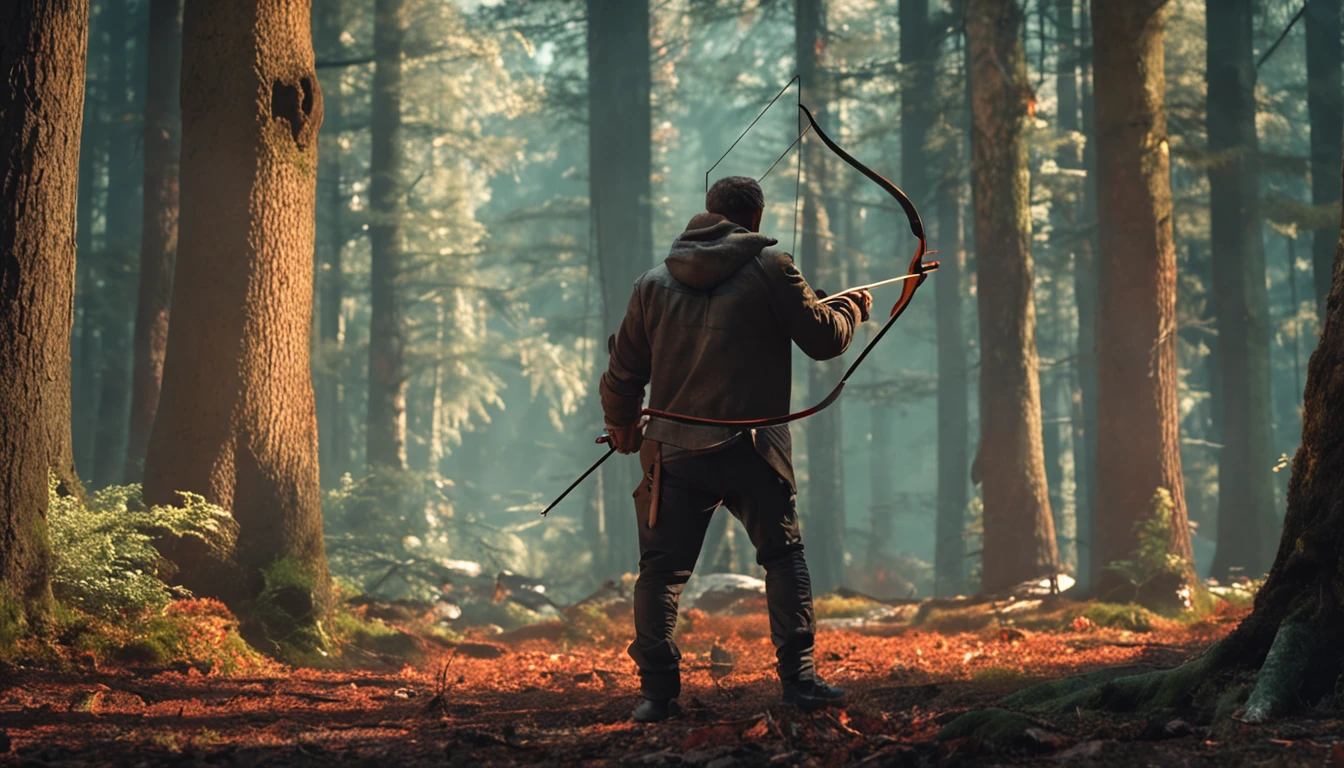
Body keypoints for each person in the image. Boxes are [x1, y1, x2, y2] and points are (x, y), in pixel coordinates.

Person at [599, 175, 873, 723]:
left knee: (660, 574)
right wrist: (851, 310)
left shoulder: (651, 283)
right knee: (784, 557)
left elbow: (623, 373)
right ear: (755, 220)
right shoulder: (773, 268)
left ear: (708, 214)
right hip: (755, 451)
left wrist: (624, 429)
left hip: (675, 452)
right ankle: (799, 683)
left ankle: (656, 696)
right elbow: (823, 339)